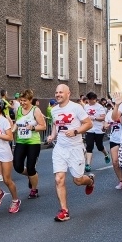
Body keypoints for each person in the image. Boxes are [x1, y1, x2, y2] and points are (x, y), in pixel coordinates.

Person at [48, 84, 95, 222]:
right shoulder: (54, 110)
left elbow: (88, 124)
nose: (58, 94)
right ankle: (64, 211)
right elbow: (56, 126)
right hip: (60, 149)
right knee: (59, 179)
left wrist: (75, 131)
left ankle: (90, 180)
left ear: (68, 93)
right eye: (56, 92)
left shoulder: (76, 108)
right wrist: (52, 136)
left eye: (61, 92)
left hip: (75, 148)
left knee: (78, 180)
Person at [13, 90, 47, 199]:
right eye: (21, 100)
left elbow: (43, 126)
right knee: (17, 166)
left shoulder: (35, 110)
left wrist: (33, 127)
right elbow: (17, 123)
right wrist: (11, 131)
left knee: (31, 167)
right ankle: (31, 176)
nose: (22, 103)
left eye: (24, 101)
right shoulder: (19, 109)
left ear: (30, 100)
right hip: (21, 141)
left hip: (33, 142)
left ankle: (34, 189)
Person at [83, 92, 110, 172]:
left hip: (98, 129)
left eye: (94, 99)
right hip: (89, 129)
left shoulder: (100, 107)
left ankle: (106, 154)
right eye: (91, 100)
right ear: (88, 100)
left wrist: (94, 118)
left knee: (99, 146)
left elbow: (103, 118)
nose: (93, 101)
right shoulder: (86, 107)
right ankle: (88, 164)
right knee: (89, 146)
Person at [104, 104, 122, 189]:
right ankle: (121, 181)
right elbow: (105, 125)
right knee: (115, 162)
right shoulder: (109, 114)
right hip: (114, 139)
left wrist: (119, 117)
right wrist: (106, 126)